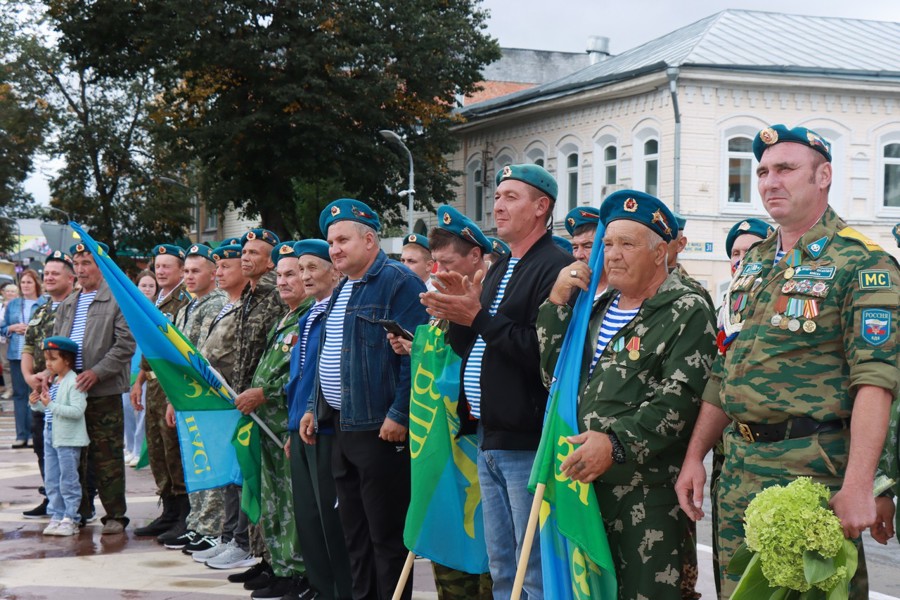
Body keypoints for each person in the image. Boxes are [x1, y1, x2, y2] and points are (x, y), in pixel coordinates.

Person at [675, 124, 900, 599]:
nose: (769, 181)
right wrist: (696, 456)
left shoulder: (861, 262)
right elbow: (726, 368)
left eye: (785, 169)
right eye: (762, 171)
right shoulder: (753, 262)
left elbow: (876, 382)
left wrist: (863, 484)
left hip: (811, 474)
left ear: (824, 177)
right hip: (737, 471)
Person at [538, 190, 717, 600]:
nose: (612, 255)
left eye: (627, 244)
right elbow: (555, 380)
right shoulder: (595, 308)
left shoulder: (685, 308)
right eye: (608, 244)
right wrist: (556, 303)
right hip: (585, 490)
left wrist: (614, 443)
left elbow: (679, 402)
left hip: (647, 498)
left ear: (660, 253)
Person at [421, 164, 572, 599]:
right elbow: (470, 343)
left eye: (511, 197)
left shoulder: (553, 266)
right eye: (497, 195)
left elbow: (542, 353)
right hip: (489, 434)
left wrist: (478, 315)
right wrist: (458, 307)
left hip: (527, 439)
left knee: (534, 568)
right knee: (503, 563)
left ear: (541, 207)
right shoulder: (503, 264)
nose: (497, 205)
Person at [299, 198, 429, 600]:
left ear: (370, 240)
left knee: (386, 538)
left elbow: (416, 354)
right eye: (331, 242)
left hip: (380, 429)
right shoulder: (344, 288)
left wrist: (399, 412)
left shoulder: (399, 282)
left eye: (342, 240)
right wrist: (312, 407)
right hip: (342, 426)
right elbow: (332, 353)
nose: (334, 249)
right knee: (354, 534)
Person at [389, 205, 494, 600]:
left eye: (447, 262)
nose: (437, 272)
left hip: (471, 450)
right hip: (442, 453)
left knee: (483, 559)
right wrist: (413, 344)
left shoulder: (484, 307)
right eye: (435, 263)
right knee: (447, 550)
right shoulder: (440, 308)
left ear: (476, 258)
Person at [234, 241, 314, 600]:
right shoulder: (285, 317)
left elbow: (302, 376)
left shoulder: (310, 316)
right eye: (279, 275)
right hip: (268, 428)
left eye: (291, 274)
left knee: (292, 504)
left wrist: (264, 394)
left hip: (288, 425)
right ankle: (279, 565)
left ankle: (297, 571)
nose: (283, 282)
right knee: (273, 502)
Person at [50, 241, 135, 534]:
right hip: (72, 391)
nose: (81, 269)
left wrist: (96, 373)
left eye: (88, 263)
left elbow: (125, 344)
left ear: (101, 267)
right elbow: (57, 345)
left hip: (103, 390)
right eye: (78, 264)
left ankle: (115, 515)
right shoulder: (69, 303)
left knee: (107, 454)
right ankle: (78, 510)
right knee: (74, 453)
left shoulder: (116, 299)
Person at [285, 239, 352, 600]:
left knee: (332, 521)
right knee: (308, 520)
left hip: (327, 427)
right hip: (302, 428)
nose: (305, 276)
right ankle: (321, 589)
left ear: (334, 270)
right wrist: (291, 427)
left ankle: (343, 590)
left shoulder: (338, 313)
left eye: (313, 267)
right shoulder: (307, 315)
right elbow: (299, 379)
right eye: (301, 269)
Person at [224, 228, 285, 591]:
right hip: (245, 400)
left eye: (254, 253)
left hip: (268, 405)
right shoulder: (248, 295)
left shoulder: (275, 294)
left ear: (271, 260)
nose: (245, 257)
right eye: (244, 252)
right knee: (254, 481)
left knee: (273, 490)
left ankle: (279, 562)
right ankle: (263, 557)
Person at [195, 242, 255, 571]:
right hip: (220, 403)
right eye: (216, 267)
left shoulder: (246, 305)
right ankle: (230, 534)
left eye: (225, 267)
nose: (219, 273)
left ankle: (242, 540)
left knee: (239, 473)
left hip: (238, 399)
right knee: (228, 475)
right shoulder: (225, 306)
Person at [169, 244, 229, 555]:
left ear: (212, 272)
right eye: (187, 271)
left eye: (196, 271)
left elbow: (203, 355)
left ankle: (210, 527)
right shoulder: (188, 307)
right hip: (187, 397)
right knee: (195, 460)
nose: (189, 276)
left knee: (209, 463)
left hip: (205, 398)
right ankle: (196, 523)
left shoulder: (214, 304)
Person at [132, 244, 193, 544]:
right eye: (158, 266)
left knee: (174, 451)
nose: (160, 271)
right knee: (156, 451)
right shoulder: (157, 301)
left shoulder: (184, 301)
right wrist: (138, 380)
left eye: (167, 266)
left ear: (181, 270)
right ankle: (168, 510)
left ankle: (184, 514)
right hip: (153, 385)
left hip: (172, 385)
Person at [21, 252, 76, 519]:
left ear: (70, 277)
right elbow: (29, 345)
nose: (49, 277)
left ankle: (74, 505)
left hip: (61, 388)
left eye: (55, 273)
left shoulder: (75, 306)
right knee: (42, 446)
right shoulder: (41, 309)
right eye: (47, 273)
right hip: (38, 389)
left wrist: (46, 373)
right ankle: (50, 497)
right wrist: (29, 376)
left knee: (66, 450)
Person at [29, 336, 87, 537]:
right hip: (51, 434)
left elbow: (77, 411)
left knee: (68, 479)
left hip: (68, 437)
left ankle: (71, 517)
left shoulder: (74, 382)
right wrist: (36, 402)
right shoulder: (53, 381)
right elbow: (47, 410)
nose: (48, 364)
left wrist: (50, 405)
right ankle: (56, 514)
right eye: (46, 359)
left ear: (68, 360)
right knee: (52, 479)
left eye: (53, 359)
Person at [3, 269, 47, 448]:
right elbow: (3, 327)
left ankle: (36, 433)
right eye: (23, 282)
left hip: (38, 356)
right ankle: (21, 435)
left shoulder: (44, 303)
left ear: (36, 283)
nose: (25, 285)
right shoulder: (13, 304)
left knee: (35, 392)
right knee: (19, 395)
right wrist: (12, 328)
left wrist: (31, 329)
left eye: (29, 282)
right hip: (16, 354)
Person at [123, 270, 156, 467]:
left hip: (147, 370)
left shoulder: (158, 311)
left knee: (142, 410)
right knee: (127, 409)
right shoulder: (128, 311)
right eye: (144, 285)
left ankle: (138, 449)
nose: (147, 289)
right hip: (129, 367)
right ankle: (128, 446)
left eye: (151, 286)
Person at [668, 213, 715, 309]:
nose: (655, 245)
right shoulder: (635, 284)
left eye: (664, 239)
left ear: (680, 244)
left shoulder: (694, 292)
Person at [565, 205, 608, 295]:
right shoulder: (571, 288)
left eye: (587, 246)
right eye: (575, 247)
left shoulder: (623, 290)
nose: (578, 255)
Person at [0, 282, 20, 399]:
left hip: (14, 339)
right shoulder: (1, 306)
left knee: (16, 365)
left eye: (12, 291)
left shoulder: (18, 306)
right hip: (2, 339)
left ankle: (18, 389)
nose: (9, 293)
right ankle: (9, 388)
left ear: (17, 294)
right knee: (6, 365)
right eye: (7, 291)